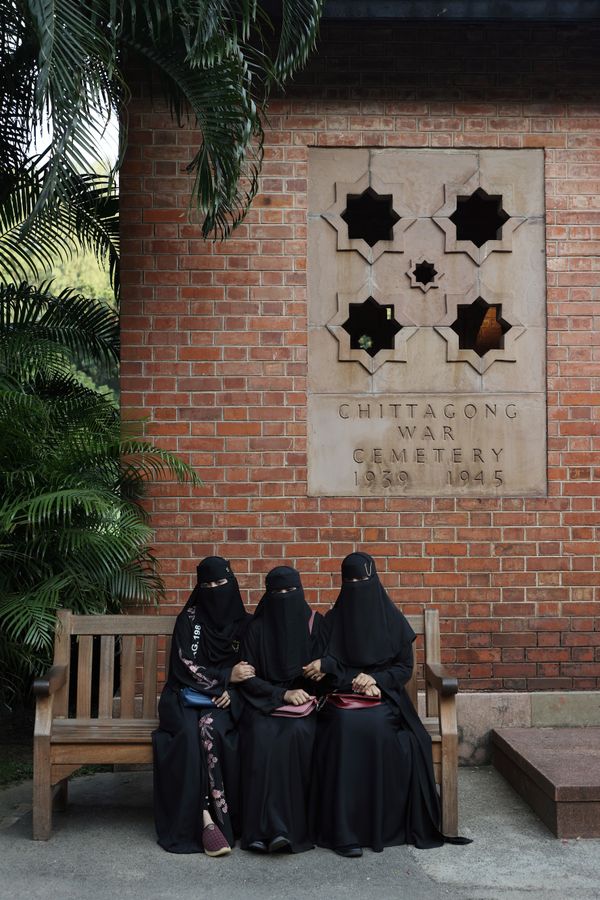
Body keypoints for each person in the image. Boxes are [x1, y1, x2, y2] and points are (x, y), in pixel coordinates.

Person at [305, 551, 467, 857]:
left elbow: (403, 668)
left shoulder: (392, 621)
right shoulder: (332, 621)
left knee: (377, 728)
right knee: (342, 727)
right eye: (349, 581)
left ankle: (377, 827)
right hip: (341, 701)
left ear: (373, 580)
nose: (356, 588)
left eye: (361, 581)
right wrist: (354, 676)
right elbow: (327, 673)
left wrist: (376, 680)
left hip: (384, 700)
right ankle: (344, 832)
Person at [152, 556, 254, 856]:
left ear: (232, 583)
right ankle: (203, 820)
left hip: (224, 700)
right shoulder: (189, 619)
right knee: (186, 735)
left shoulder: (246, 625)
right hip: (184, 696)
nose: (214, 590)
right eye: (206, 585)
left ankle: (223, 821)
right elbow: (184, 666)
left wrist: (232, 692)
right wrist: (224, 677)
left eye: (220, 583)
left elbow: (252, 668)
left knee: (212, 731)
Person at [238, 565, 323, 854]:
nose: (285, 598)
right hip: (263, 704)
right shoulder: (256, 629)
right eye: (278, 592)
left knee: (295, 735)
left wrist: (320, 674)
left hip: (302, 709)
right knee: (262, 738)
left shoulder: (314, 624)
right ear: (267, 595)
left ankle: (289, 830)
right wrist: (281, 694)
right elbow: (247, 680)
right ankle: (259, 832)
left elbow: (329, 669)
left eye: (291, 591)